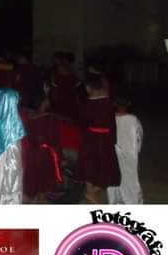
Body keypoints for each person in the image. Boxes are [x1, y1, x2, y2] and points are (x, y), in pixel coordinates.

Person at [76, 74, 121, 204]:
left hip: (92, 138)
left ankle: (91, 191)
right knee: (99, 165)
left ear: (89, 88)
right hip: (102, 138)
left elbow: (82, 123)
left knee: (93, 166)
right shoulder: (107, 103)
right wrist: (113, 138)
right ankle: (91, 193)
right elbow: (112, 124)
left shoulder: (87, 104)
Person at [23, 91, 63, 204]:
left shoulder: (30, 119)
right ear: (43, 103)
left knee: (34, 179)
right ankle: (41, 201)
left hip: (33, 153)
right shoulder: (49, 119)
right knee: (44, 181)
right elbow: (55, 139)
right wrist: (60, 156)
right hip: (45, 155)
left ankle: (34, 199)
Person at [107, 96, 144, 205]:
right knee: (129, 179)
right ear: (128, 105)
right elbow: (139, 137)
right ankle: (131, 201)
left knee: (116, 179)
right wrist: (137, 152)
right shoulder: (133, 119)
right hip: (129, 154)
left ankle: (115, 201)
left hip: (115, 153)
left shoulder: (110, 119)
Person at [50, 52, 80, 119]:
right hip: (68, 99)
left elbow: (54, 88)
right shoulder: (72, 72)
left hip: (64, 98)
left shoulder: (59, 71)